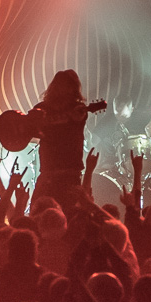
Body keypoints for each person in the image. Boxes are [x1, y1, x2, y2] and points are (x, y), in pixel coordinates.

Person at [34, 69, 91, 210]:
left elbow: (78, 120)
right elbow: (29, 128)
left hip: (69, 173)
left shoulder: (78, 110)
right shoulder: (41, 109)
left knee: (68, 213)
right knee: (40, 212)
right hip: (49, 171)